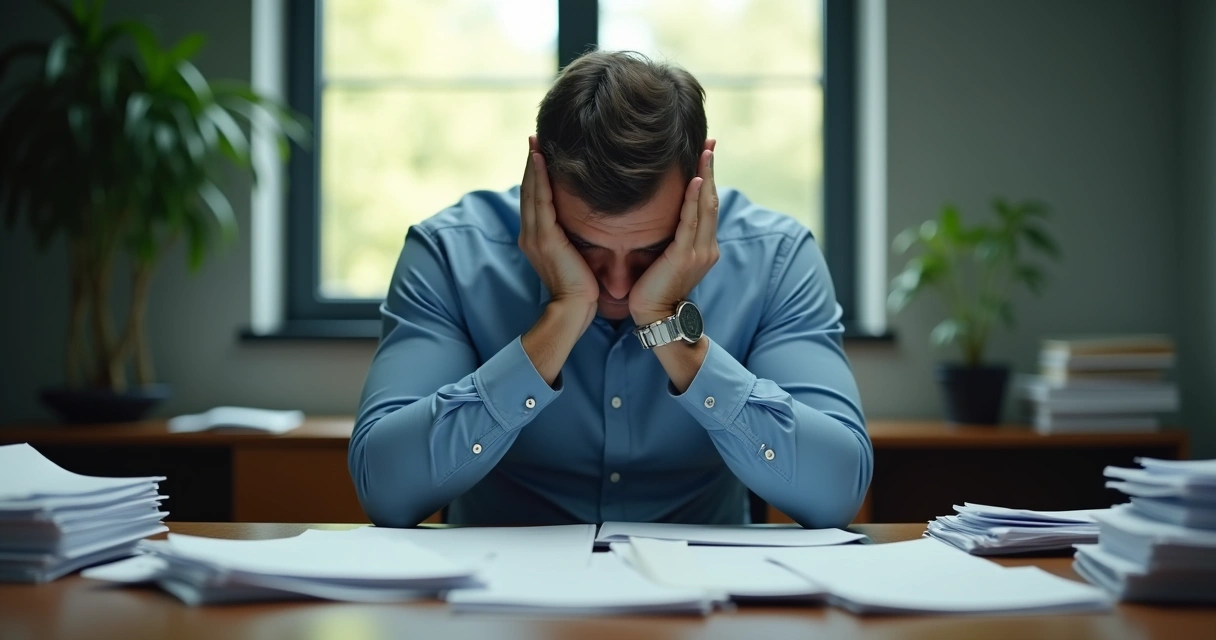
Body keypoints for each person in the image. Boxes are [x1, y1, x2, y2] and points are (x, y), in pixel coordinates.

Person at [349, 50, 872, 528]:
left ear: (700, 187)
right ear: (541, 184)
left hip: (703, 609)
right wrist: (561, 316)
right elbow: (387, 491)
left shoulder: (776, 258)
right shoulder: (448, 253)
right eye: (583, 246)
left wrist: (668, 326)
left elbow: (835, 493)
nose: (618, 286)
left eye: (651, 251)